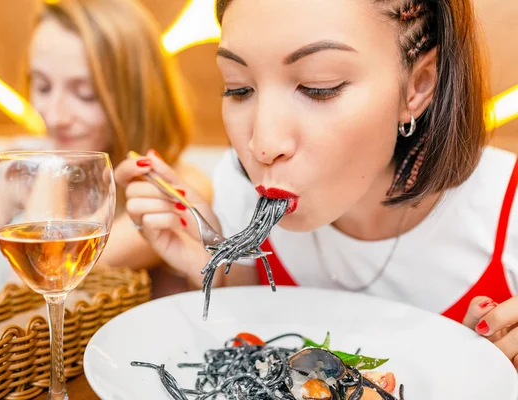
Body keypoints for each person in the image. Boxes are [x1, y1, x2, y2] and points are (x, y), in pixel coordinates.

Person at [116, 0, 518, 368]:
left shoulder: (508, 211)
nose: (262, 144)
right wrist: (215, 268)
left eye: (318, 86)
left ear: (418, 85)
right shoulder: (239, 190)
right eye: (239, 88)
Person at [0, 0, 210, 294]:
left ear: (137, 97)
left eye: (85, 94)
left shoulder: (179, 189)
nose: (55, 116)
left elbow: (41, 288)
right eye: (43, 86)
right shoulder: (18, 166)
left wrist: (50, 168)